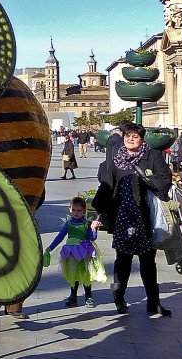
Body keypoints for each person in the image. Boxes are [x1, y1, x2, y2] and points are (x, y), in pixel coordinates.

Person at [92, 122, 173, 317]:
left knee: (148, 261)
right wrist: (100, 213)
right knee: (123, 260)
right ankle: (119, 299)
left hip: (144, 216)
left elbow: (165, 177)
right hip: (122, 216)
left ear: (141, 139)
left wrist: (147, 180)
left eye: (134, 136)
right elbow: (105, 181)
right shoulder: (116, 157)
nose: (130, 139)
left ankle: (153, 302)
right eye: (127, 135)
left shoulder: (152, 155)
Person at [44, 195, 107, 308]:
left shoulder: (86, 224)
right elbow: (60, 237)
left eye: (79, 210)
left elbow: (92, 238)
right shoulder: (69, 224)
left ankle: (88, 296)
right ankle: (73, 296)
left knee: (85, 273)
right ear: (69, 209)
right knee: (73, 274)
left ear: (84, 211)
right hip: (71, 253)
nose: (76, 213)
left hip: (84, 253)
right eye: (73, 210)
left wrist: (94, 229)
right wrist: (50, 248)